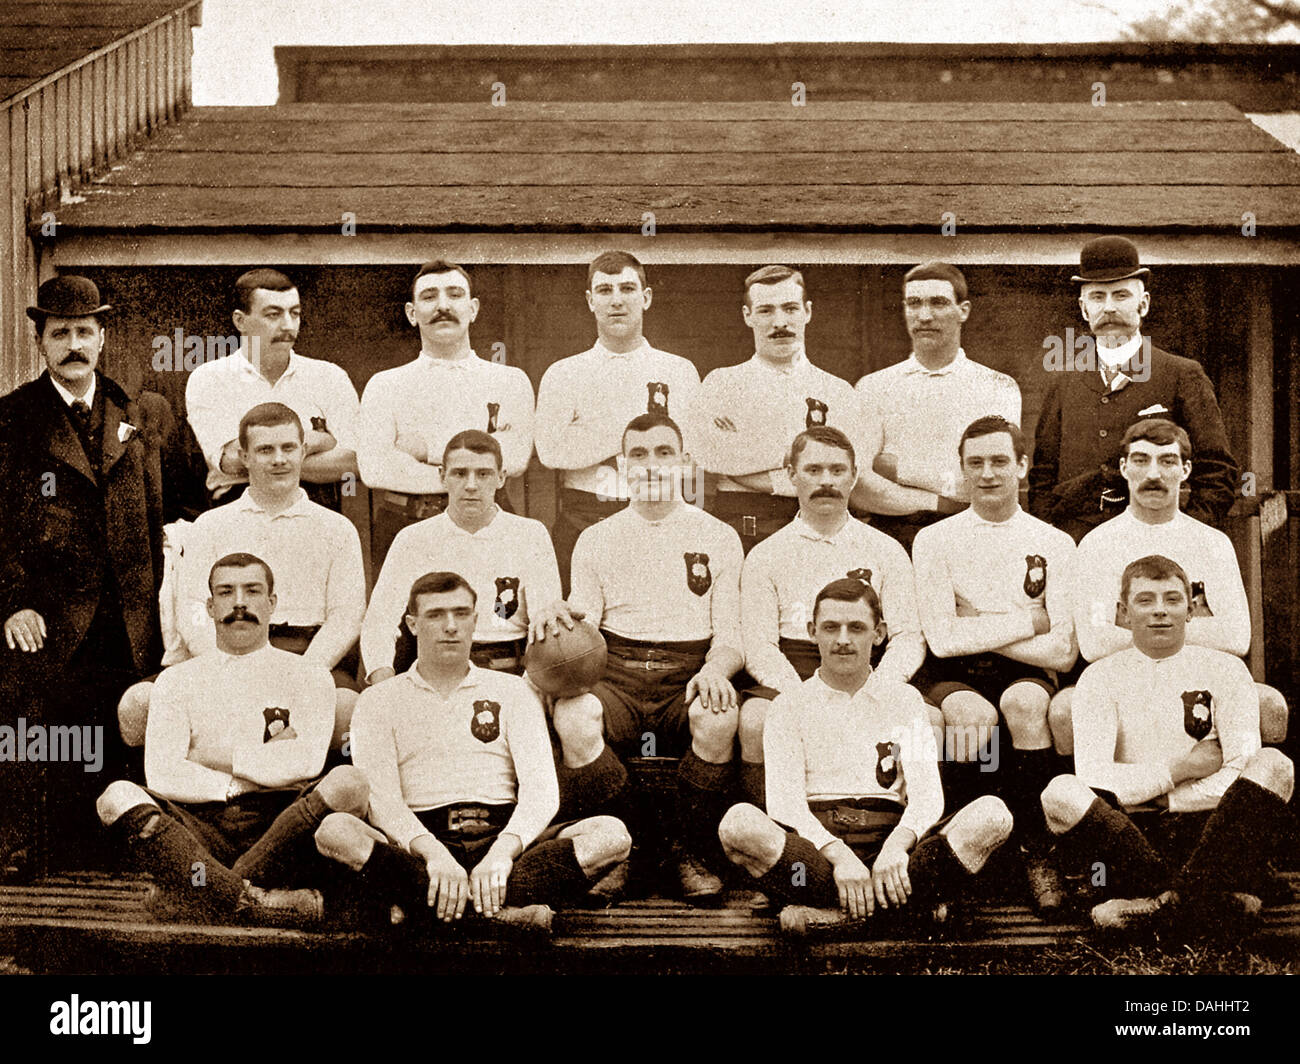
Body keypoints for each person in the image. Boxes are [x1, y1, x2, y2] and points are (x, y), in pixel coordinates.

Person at [317, 572, 631, 932]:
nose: (451, 626)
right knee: (335, 830)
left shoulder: (513, 691)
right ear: (413, 625)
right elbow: (383, 799)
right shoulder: (379, 700)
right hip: (422, 846)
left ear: (475, 621)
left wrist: (501, 853)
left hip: (501, 842)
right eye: (436, 615)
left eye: (461, 613)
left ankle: (429, 912)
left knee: (612, 834)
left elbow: (542, 792)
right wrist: (434, 855)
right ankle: (499, 916)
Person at [717, 578, 1013, 936]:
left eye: (856, 627)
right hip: (819, 852)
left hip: (892, 847)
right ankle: (906, 914)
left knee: (993, 815)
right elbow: (785, 805)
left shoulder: (905, 702)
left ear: (878, 634)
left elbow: (927, 795)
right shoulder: (788, 705)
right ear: (813, 632)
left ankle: (835, 917)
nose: (843, 639)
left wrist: (896, 848)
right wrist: (840, 856)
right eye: (831, 627)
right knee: (738, 824)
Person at [534, 412, 745, 900]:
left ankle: (688, 848)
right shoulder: (597, 537)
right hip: (617, 673)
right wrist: (555, 612)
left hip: (689, 671)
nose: (652, 465)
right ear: (621, 465)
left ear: (686, 462)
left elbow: (732, 633)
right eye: (639, 454)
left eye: (664, 452)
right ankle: (634, 846)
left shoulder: (718, 535)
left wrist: (716, 669)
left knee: (718, 715)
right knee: (574, 715)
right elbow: (583, 621)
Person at [93, 553, 369, 924]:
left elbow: (306, 762)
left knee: (349, 783)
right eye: (226, 592)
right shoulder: (177, 680)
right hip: (200, 829)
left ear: (272, 604)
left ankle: (202, 894)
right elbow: (162, 773)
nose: (239, 603)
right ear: (210, 607)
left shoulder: (309, 675)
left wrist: (213, 756)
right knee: (115, 797)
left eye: (252, 591)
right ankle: (255, 902)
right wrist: (240, 782)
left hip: (283, 823)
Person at [0, 275, 165, 873]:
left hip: (129, 611)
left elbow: (158, 514)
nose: (74, 343)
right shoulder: (13, 419)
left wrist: (160, 605)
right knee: (45, 735)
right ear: (40, 341)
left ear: (102, 337)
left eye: (84, 331)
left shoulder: (138, 413)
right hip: (50, 616)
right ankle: (32, 852)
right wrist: (14, 601)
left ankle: (120, 853)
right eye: (60, 332)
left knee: (120, 732)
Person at [1041, 555, 1293, 935]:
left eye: (1172, 599)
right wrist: (1181, 770)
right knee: (1058, 792)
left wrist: (1166, 799)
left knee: (1275, 765)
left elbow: (1242, 769)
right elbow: (1095, 779)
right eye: (1145, 600)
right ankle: (1206, 900)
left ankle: (1161, 904)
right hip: (1131, 836)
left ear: (1190, 609)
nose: (1160, 611)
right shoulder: (1099, 677)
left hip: (1212, 829)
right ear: (1123, 613)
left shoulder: (1226, 669)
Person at [118, 403, 366, 751]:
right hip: (222, 653)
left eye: (288, 448)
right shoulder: (211, 525)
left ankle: (319, 802)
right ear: (245, 456)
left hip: (304, 656)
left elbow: (347, 615)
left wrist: (302, 674)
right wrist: (225, 669)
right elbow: (191, 608)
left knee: (348, 712)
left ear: (303, 451)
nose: (279, 459)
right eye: (265, 450)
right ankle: (175, 797)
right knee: (138, 704)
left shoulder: (337, 529)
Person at [911, 415, 1077, 910]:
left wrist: (977, 622)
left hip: (1024, 672)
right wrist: (1029, 620)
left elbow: (1064, 652)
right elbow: (941, 641)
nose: (988, 473)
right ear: (961, 470)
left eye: (1000, 461)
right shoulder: (934, 539)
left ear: (1022, 467)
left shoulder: (1054, 542)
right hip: (953, 676)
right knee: (970, 717)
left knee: (1026, 702)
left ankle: (1035, 850)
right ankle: (962, 850)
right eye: (975, 462)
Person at [1053, 418, 1286, 757]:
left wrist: (1141, 629)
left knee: (1271, 704)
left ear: (1186, 469)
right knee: (1064, 710)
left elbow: (1237, 637)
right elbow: (1095, 642)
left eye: (1167, 461)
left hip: (1200, 675)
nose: (1153, 474)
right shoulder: (1097, 544)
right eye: (1141, 460)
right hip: (1125, 677)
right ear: (1123, 467)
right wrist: (1186, 625)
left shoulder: (1212, 543)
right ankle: (1102, 804)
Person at [738, 425, 928, 809]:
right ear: (791, 474)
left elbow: (908, 635)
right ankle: (774, 838)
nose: (826, 481)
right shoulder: (765, 554)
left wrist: (877, 691)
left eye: (838, 470)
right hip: (792, 668)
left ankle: (910, 838)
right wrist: (803, 698)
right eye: (813, 470)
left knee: (930, 722)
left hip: (867, 667)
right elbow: (759, 644)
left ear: (854, 476)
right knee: (757, 719)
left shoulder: (886, 550)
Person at [1029, 236, 1238, 541]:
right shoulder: (1064, 381)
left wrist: (1185, 536)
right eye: (1098, 297)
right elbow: (1043, 476)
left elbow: (1217, 471)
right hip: (1077, 544)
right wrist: (1054, 537)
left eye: (1121, 295)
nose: (1109, 307)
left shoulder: (1182, 374)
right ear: (1084, 309)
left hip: (1156, 542)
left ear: (1144, 304)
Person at [684, 265, 888, 555]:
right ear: (747, 316)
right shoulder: (722, 382)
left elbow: (850, 476)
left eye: (790, 308)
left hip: (822, 526)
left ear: (807, 312)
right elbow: (712, 455)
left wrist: (748, 455)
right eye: (766, 310)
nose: (780, 322)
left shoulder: (838, 391)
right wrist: (805, 469)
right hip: (742, 530)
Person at [535, 251, 701, 593]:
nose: (616, 301)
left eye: (627, 288)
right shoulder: (565, 372)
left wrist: (586, 433)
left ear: (646, 297)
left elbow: (691, 453)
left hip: (662, 514)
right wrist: (633, 430)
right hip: (585, 515)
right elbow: (552, 452)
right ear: (590, 300)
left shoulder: (679, 370)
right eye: (605, 290)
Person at [357, 260, 535, 569]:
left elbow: (515, 459)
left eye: (454, 295)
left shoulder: (510, 380)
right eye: (429, 297)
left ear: (473, 308)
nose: (443, 305)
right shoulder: (384, 384)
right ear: (412, 314)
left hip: (488, 520)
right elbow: (375, 470)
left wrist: (425, 450)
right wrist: (478, 464)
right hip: (407, 521)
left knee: (496, 614)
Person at [362, 430, 560, 683]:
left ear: (501, 478)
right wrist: (385, 683)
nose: (471, 485)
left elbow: (544, 622)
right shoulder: (413, 539)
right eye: (459, 473)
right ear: (442, 476)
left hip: (512, 671)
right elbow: (379, 621)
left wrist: (529, 687)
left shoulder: (530, 534)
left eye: (483, 474)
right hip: (436, 673)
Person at [855, 262, 1021, 552]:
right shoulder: (873, 387)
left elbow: (991, 479)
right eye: (914, 303)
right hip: (893, 538)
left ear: (964, 311)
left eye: (939, 303)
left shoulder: (996, 386)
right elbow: (859, 487)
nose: (925, 315)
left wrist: (894, 468)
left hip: (972, 537)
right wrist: (942, 502)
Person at [185, 268, 360, 511]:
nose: (288, 325)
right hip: (237, 509)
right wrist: (321, 439)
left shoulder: (329, 376)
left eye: (295, 313)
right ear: (240, 321)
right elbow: (230, 461)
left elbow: (354, 462)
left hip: (316, 508)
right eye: (273, 314)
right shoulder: (210, 378)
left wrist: (261, 453)